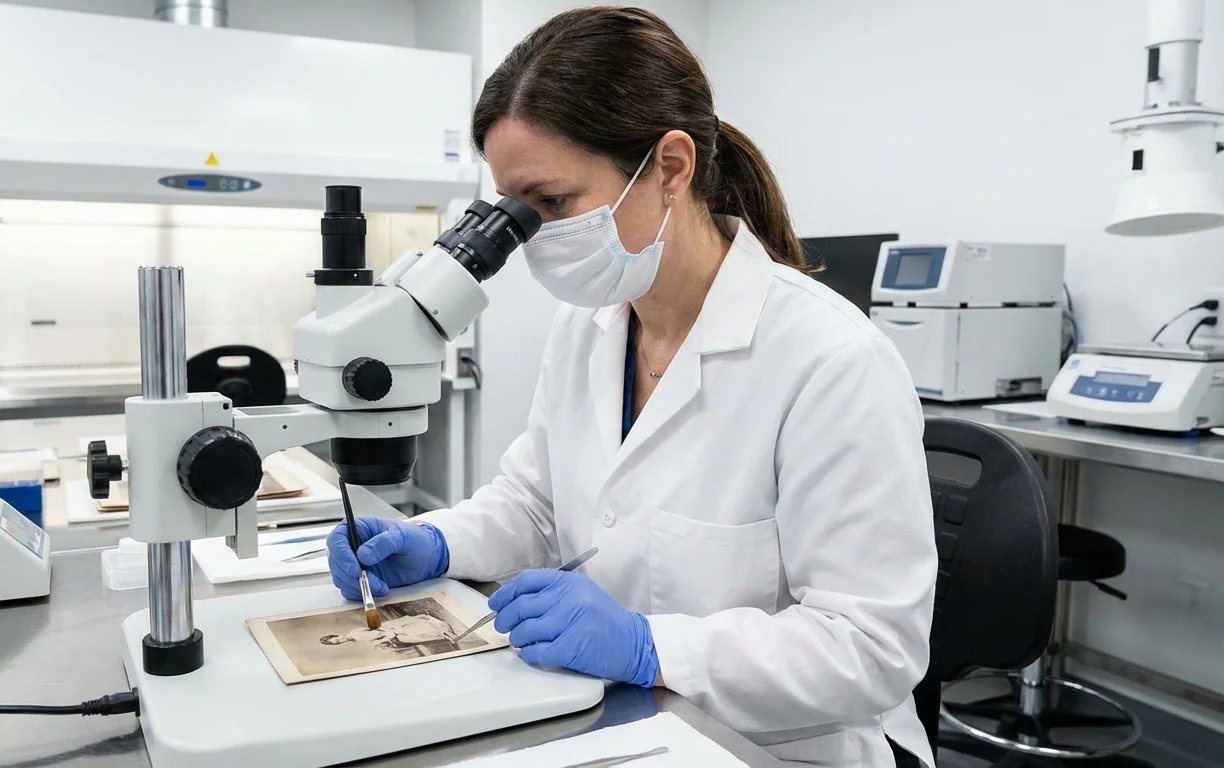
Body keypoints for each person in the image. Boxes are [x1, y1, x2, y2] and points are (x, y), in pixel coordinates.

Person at [327, 7, 936, 767]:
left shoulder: (831, 361)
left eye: (553, 203)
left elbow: (872, 650)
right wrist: (436, 541)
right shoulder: (590, 328)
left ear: (672, 168)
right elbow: (536, 503)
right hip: (623, 716)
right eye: (515, 211)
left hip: (781, 747)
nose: (534, 237)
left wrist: (651, 646)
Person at [319, 613, 454, 652]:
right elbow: (375, 641)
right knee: (408, 639)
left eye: (337, 639)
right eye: (337, 643)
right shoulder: (357, 642)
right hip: (387, 637)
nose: (340, 640)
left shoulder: (354, 632)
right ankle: (440, 635)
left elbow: (372, 629)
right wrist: (385, 639)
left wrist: (387, 632)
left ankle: (433, 624)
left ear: (337, 635)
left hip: (385, 630)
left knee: (405, 630)